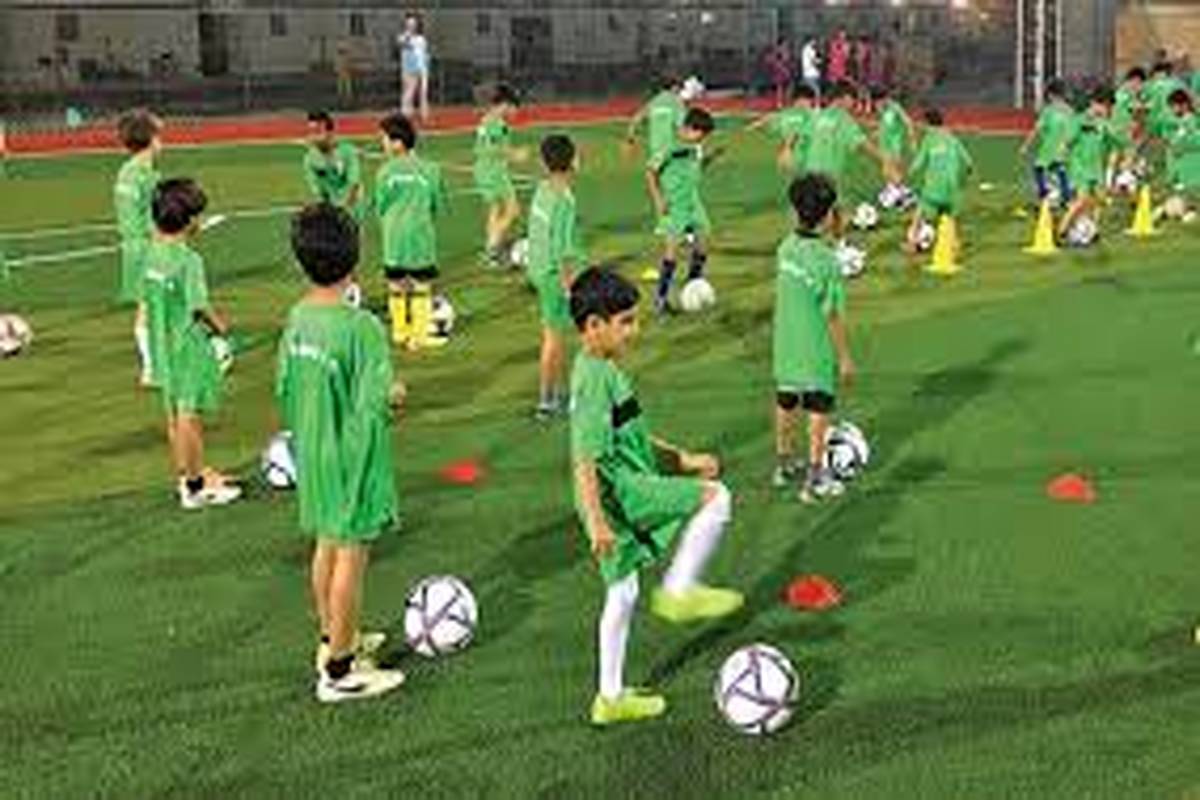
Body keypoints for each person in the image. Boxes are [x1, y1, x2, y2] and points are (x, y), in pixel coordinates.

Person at [569, 266, 743, 725]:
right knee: (716, 497)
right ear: (594, 325)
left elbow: (630, 436)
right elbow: (584, 459)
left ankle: (609, 698)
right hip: (621, 492)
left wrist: (680, 459)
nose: (635, 330)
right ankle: (679, 591)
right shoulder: (594, 380)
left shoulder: (597, 369)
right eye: (625, 321)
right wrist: (597, 522)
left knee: (623, 591)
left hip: (614, 493)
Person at [277, 203, 408, 703]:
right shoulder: (362, 328)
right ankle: (339, 670)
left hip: (312, 450)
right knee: (351, 554)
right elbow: (375, 403)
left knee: (326, 544)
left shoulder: (297, 318)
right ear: (355, 259)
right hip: (353, 459)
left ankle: (334, 636)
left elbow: (285, 384)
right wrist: (395, 392)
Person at [142, 178, 242, 510]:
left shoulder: (151, 254)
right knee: (190, 415)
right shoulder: (188, 261)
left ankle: (188, 473)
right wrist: (221, 328)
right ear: (189, 220)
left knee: (174, 415)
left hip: (161, 344)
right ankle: (197, 489)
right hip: (186, 347)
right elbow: (199, 307)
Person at [772, 173, 855, 502]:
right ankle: (815, 478)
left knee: (786, 401)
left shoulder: (785, 249)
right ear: (829, 214)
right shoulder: (827, 262)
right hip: (814, 349)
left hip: (785, 345)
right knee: (818, 410)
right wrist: (844, 357)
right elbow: (832, 316)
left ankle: (783, 465)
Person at [375, 111, 446, 350]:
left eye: (384, 139)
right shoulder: (431, 169)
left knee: (396, 285)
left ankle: (400, 332)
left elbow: (381, 205)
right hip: (420, 235)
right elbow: (436, 204)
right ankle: (419, 335)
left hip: (393, 237)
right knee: (421, 286)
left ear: (398, 142)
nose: (382, 144)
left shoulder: (385, 172)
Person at [527, 134, 585, 420]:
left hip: (539, 269)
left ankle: (557, 392)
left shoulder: (543, 189)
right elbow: (563, 251)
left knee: (556, 335)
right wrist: (569, 287)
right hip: (554, 276)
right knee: (554, 338)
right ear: (572, 161)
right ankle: (547, 401)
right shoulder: (564, 200)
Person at [647, 107, 718, 315]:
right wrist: (658, 200)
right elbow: (651, 172)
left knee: (703, 242)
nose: (702, 140)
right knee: (673, 249)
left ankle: (692, 285)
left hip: (693, 202)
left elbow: (696, 168)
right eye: (700, 135)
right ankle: (661, 299)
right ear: (688, 128)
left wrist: (711, 158)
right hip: (674, 204)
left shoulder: (696, 147)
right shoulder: (668, 145)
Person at [113, 109, 162, 386]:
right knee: (151, 306)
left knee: (150, 304)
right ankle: (151, 368)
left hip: (132, 246)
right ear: (151, 139)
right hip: (148, 246)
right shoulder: (146, 175)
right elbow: (154, 217)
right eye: (159, 136)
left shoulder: (126, 171)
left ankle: (154, 363)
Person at [804, 81, 881, 235]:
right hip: (831, 171)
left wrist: (788, 149)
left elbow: (801, 133)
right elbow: (862, 143)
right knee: (838, 212)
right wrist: (884, 158)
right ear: (845, 98)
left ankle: (831, 241)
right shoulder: (843, 119)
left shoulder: (818, 115)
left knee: (823, 212)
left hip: (811, 169)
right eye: (853, 100)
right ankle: (836, 243)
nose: (854, 104)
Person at [473, 83, 527, 268]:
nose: (515, 113)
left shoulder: (486, 120)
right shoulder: (498, 124)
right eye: (514, 108)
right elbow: (492, 148)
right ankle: (492, 249)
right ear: (505, 104)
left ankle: (491, 252)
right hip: (494, 173)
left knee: (495, 210)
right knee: (513, 210)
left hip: (483, 170)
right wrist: (515, 154)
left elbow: (481, 148)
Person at [906, 108, 973, 253]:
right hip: (953, 191)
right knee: (950, 218)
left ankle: (911, 243)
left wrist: (909, 173)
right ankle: (955, 244)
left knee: (918, 215)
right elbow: (968, 163)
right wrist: (964, 179)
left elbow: (918, 163)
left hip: (933, 190)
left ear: (927, 123)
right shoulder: (953, 139)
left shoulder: (929, 140)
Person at [1060, 88, 1118, 241]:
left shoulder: (1104, 125)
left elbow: (1115, 144)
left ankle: (1093, 230)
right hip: (1079, 167)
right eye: (1106, 106)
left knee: (1099, 199)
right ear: (1094, 103)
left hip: (1097, 168)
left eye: (1110, 108)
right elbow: (1066, 143)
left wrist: (1111, 167)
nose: (1108, 110)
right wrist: (1062, 160)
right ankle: (1062, 231)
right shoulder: (1079, 120)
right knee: (1082, 199)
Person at [1019, 79, 1074, 207]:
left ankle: (1047, 197)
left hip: (1048, 151)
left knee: (1040, 170)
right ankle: (1065, 198)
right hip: (1064, 150)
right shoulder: (1070, 111)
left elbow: (1036, 130)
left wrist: (1025, 146)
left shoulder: (1048, 111)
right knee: (1060, 171)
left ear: (1050, 95)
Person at [303, 111, 365, 223]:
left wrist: (344, 210)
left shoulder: (348, 152)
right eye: (311, 132)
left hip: (352, 211)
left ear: (330, 132)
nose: (313, 136)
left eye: (318, 131)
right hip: (330, 212)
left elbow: (354, 185)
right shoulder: (310, 158)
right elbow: (317, 191)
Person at [748, 83, 818, 176]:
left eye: (805, 101)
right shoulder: (786, 115)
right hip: (791, 156)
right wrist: (758, 124)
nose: (802, 104)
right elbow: (772, 119)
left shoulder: (814, 116)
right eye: (799, 101)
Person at [623, 74, 686, 170]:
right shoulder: (677, 102)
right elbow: (683, 125)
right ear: (674, 87)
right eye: (679, 88)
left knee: (654, 175)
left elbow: (636, 120)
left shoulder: (654, 102)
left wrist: (630, 139)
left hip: (656, 148)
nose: (680, 91)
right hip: (673, 149)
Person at [1162, 88, 1199, 216]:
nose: (1172, 110)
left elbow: (1180, 142)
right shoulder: (1177, 122)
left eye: (1174, 106)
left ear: (1184, 105)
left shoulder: (1191, 121)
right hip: (1181, 170)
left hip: (1191, 170)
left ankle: (1189, 210)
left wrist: (1175, 143)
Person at [875, 86, 915, 194]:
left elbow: (907, 121)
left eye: (880, 100)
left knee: (893, 167)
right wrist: (878, 132)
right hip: (884, 141)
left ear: (885, 98)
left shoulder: (895, 107)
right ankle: (894, 189)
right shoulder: (880, 108)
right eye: (877, 101)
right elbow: (884, 122)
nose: (878, 104)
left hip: (894, 142)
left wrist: (911, 136)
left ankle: (901, 190)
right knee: (886, 169)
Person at [1111, 67, 1146, 177]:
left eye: (1140, 84)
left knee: (1126, 160)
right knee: (1118, 160)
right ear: (1131, 80)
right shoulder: (1123, 95)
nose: (1138, 86)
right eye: (1137, 83)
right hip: (1119, 132)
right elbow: (1136, 110)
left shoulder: (1131, 95)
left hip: (1126, 134)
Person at [398, 14, 430, 122]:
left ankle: (424, 115)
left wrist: (424, 69)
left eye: (413, 24)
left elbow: (423, 54)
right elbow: (402, 43)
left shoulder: (421, 39)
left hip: (420, 68)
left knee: (423, 92)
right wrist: (408, 36)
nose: (411, 26)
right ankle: (406, 114)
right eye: (409, 24)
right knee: (408, 93)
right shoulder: (403, 37)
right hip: (408, 70)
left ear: (417, 25)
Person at [766, 38, 794, 109]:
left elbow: (789, 62)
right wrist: (784, 70)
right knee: (780, 88)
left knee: (789, 87)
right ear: (781, 44)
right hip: (780, 73)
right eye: (785, 43)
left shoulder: (786, 51)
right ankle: (779, 103)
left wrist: (790, 68)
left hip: (786, 72)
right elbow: (776, 62)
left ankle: (787, 102)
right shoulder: (778, 51)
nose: (786, 45)